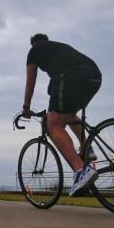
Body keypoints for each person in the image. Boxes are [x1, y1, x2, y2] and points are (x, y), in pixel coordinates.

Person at [22, 33, 102, 196]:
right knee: (69, 115)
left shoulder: (35, 50)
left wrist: (26, 107)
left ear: (33, 44)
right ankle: (87, 148)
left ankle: (81, 171)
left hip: (71, 76)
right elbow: (56, 91)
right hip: (94, 75)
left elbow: (30, 81)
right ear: (47, 40)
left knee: (54, 125)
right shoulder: (59, 48)